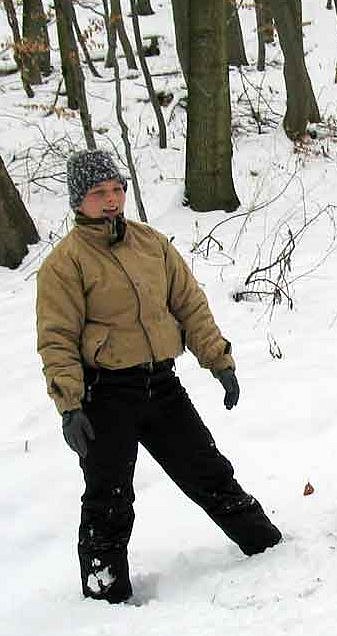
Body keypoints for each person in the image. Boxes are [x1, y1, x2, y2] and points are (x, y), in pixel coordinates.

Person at [36, 150, 282, 604]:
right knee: (109, 497)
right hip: (104, 395)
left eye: (117, 189)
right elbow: (57, 340)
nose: (111, 200)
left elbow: (188, 304)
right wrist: (70, 406)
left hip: (161, 385)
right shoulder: (64, 265)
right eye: (99, 193)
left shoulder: (150, 243)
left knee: (208, 470)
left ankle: (267, 546)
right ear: (79, 200)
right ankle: (104, 595)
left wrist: (219, 361)